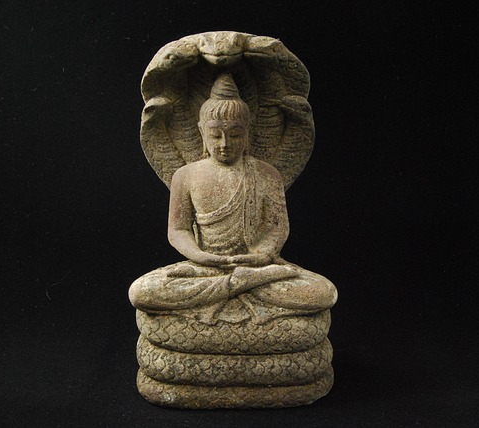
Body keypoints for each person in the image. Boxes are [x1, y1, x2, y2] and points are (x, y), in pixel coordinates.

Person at [129, 73, 336, 324]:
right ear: (201, 131)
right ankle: (239, 286)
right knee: (141, 292)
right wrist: (200, 256)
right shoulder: (185, 175)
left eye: (235, 134)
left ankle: (238, 285)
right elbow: (178, 230)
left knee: (323, 292)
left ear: (248, 132)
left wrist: (262, 255)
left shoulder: (267, 174)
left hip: (256, 269)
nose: (225, 143)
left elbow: (276, 227)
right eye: (216, 135)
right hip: (205, 270)